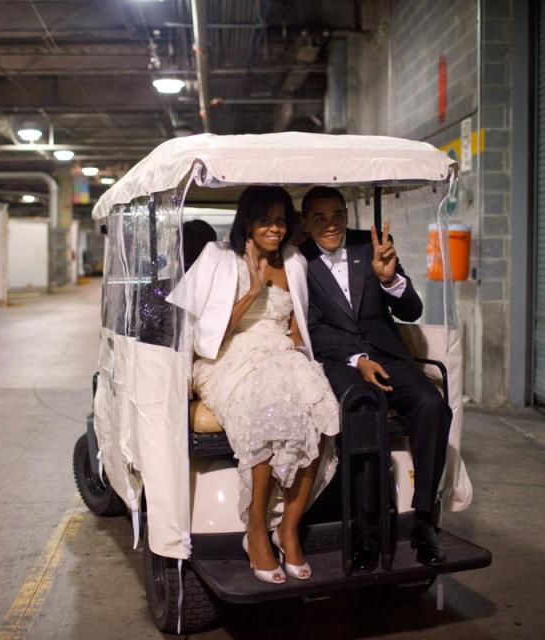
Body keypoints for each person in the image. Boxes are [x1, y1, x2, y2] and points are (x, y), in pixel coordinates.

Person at [168, 186, 339, 584]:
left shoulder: (294, 260)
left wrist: (297, 349)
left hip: (280, 352)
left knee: (322, 409)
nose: (275, 229)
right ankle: (257, 530)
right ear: (247, 221)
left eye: (280, 221)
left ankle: (289, 527)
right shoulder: (217, 256)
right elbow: (201, 337)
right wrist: (253, 293)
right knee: (267, 408)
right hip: (226, 358)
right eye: (265, 221)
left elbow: (297, 323)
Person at [299, 186, 452, 566]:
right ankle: (367, 528)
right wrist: (357, 358)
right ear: (306, 223)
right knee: (363, 409)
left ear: (346, 215)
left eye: (336, 214)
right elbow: (311, 328)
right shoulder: (297, 259)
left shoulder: (372, 246)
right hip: (341, 362)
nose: (330, 224)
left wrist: (389, 280)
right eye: (319, 218)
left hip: (390, 354)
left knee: (432, 403)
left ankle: (423, 520)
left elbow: (412, 310)